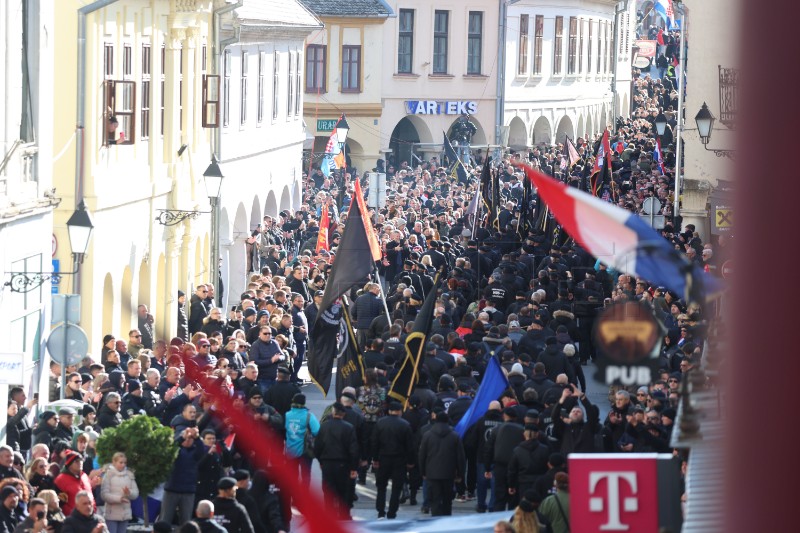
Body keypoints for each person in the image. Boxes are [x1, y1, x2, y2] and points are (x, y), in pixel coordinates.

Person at [313, 402, 359, 520]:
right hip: (343, 464)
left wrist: (321, 461)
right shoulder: (349, 428)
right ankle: (343, 515)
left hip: (327, 463)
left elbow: (317, 446)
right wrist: (354, 468)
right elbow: (353, 450)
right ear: (343, 414)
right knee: (343, 491)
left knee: (328, 491)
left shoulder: (324, 426)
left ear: (333, 413)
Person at [371, 401, 414, 519]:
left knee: (381, 486)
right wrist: (410, 461)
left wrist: (374, 458)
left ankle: (380, 511)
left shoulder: (380, 423)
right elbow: (409, 446)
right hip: (399, 460)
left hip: (383, 458)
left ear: (389, 411)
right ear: (400, 411)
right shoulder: (405, 425)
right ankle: (392, 512)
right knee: (396, 487)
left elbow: (375, 443)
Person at [418, 411, 465, 517]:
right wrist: (460, 474)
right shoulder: (455, 436)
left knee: (435, 499)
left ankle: (435, 522)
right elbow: (460, 457)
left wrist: (422, 472)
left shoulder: (427, 435)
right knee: (447, 500)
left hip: (431, 473)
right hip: (449, 473)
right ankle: (446, 521)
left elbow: (422, 456)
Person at [283, 394, 319, 492]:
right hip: (305, 451)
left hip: (290, 450)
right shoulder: (309, 416)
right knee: (306, 475)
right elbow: (317, 431)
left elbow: (283, 429)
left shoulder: (287, 415)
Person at [99, 453, 138, 533]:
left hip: (125, 514)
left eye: (125, 463)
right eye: (121, 462)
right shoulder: (108, 475)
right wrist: (119, 499)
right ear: (114, 462)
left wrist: (129, 492)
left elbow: (136, 493)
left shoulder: (130, 475)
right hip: (111, 514)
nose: (123, 465)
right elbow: (104, 495)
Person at [53, 452, 94, 517]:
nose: (80, 463)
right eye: (76, 461)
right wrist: (73, 514)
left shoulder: (84, 476)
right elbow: (61, 503)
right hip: (72, 519)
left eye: (81, 460)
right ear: (69, 464)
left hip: (89, 516)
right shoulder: (61, 480)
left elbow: (90, 494)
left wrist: (93, 509)